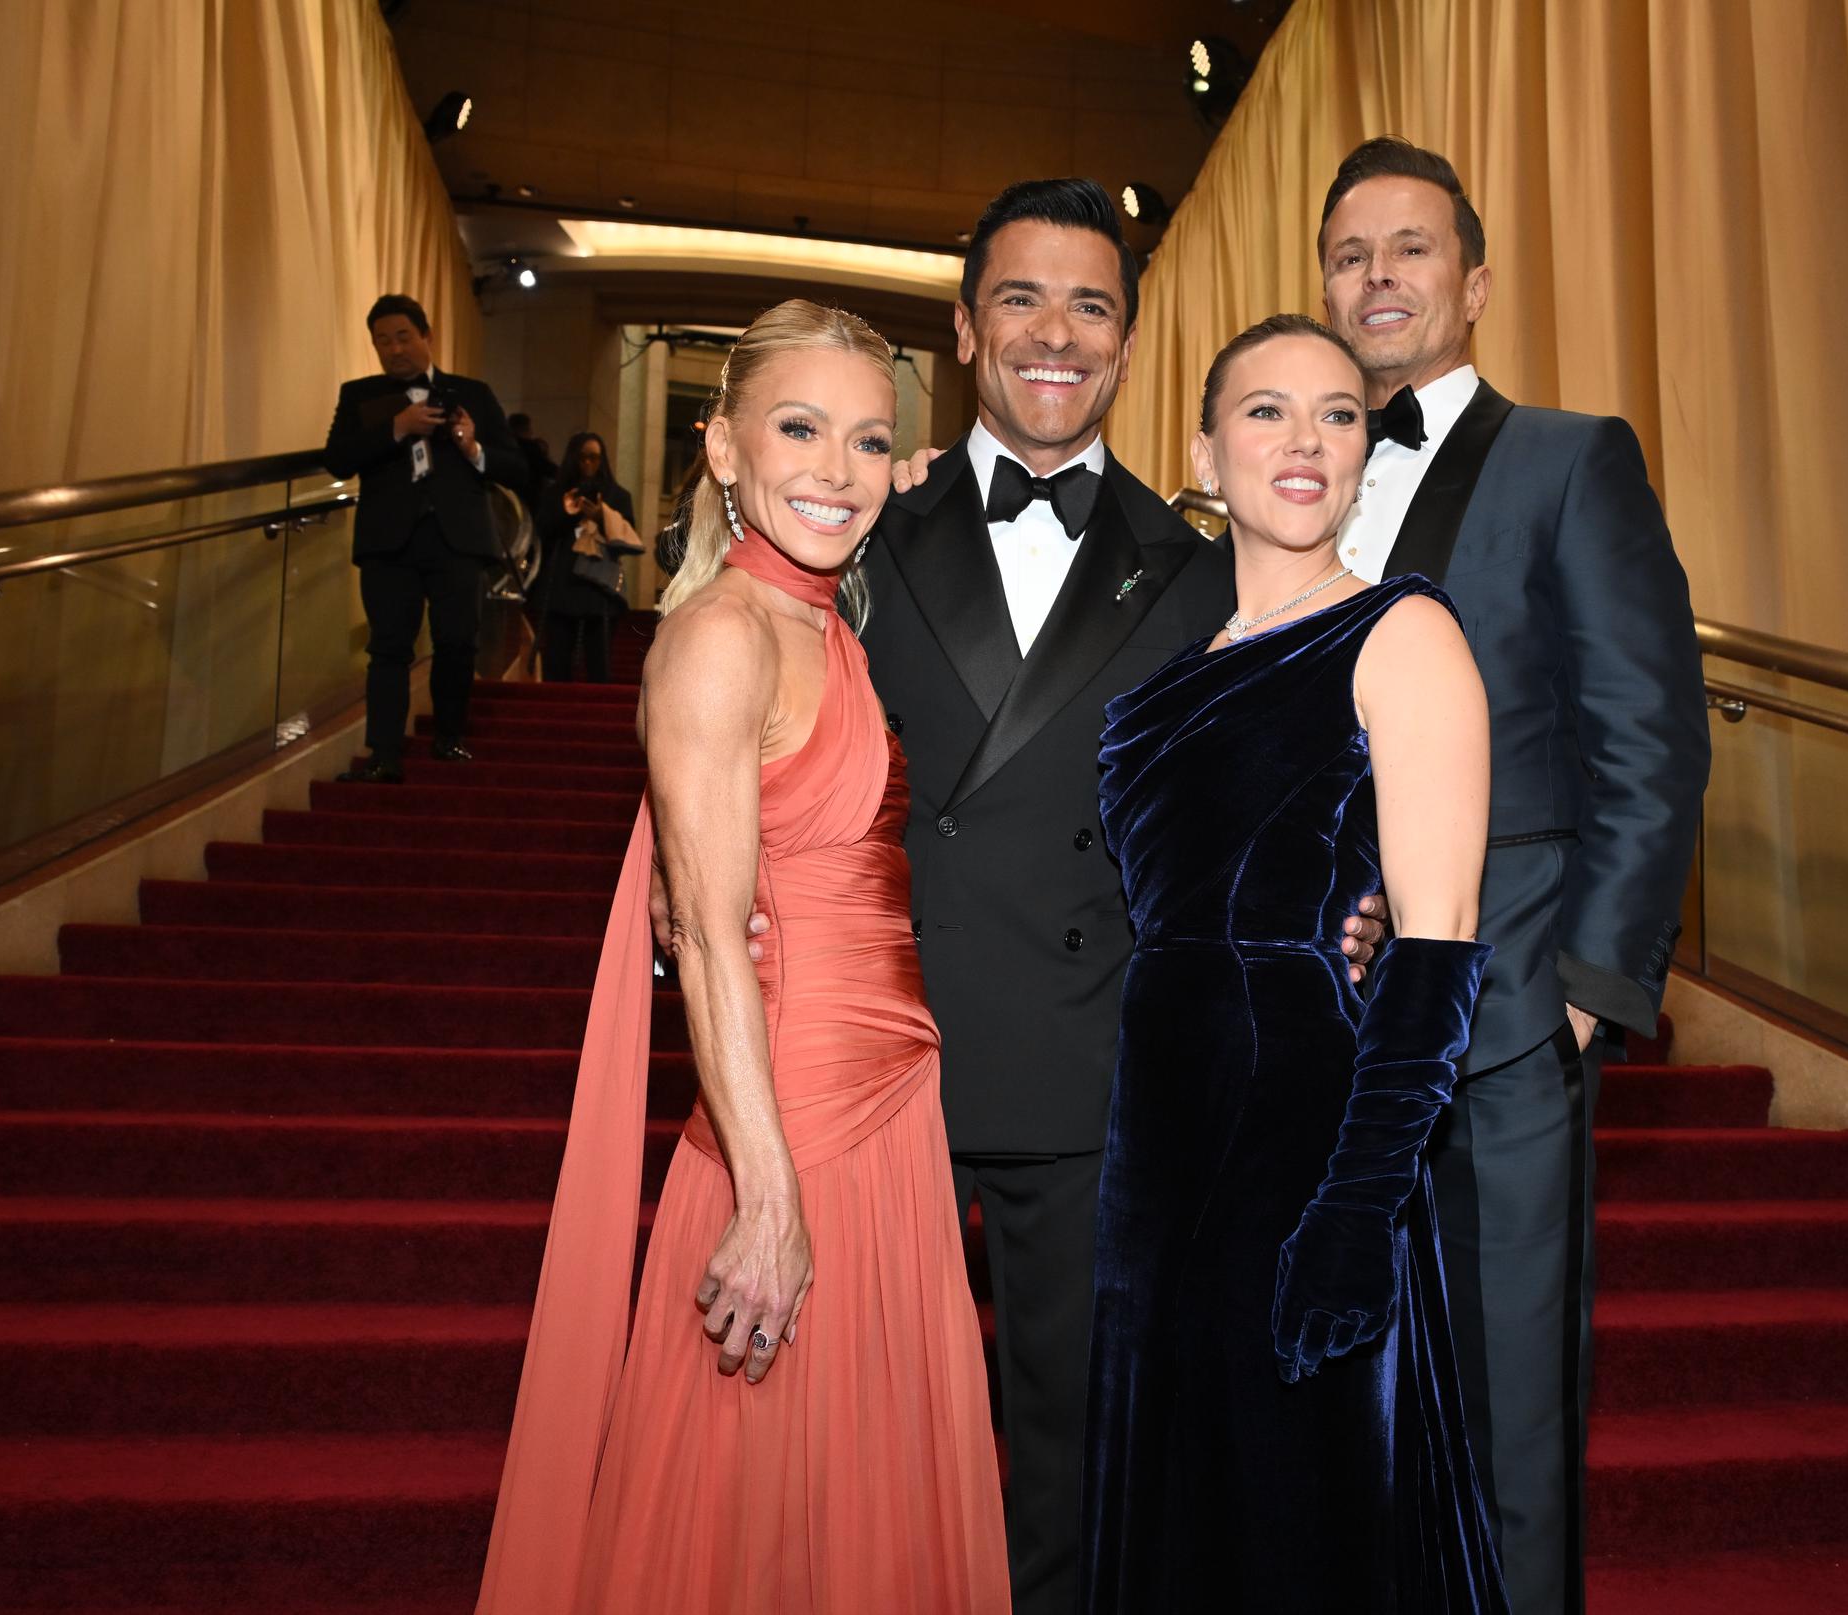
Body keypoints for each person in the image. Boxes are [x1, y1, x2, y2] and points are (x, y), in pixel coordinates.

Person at [858, 178, 1382, 1615]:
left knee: (1075, 1454)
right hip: (873, 1047)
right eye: (1021, 297)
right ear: (966, 329)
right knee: (855, 1431)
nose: (1055, 332)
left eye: (1093, 304)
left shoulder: (1199, 568)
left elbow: (1283, 768)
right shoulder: (861, 522)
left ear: (1131, 348)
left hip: (1097, 1066)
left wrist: (1356, 894)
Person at [474, 300, 1009, 1614]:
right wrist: (765, 1194)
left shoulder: (828, 622)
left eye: (870, 440)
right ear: (720, 449)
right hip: (796, 1125)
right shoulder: (718, 635)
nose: (837, 468)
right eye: (800, 429)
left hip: (888, 1106)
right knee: (756, 1521)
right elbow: (709, 933)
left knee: (848, 1515)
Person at [1318, 137, 1711, 1614]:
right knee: (1326, 1377)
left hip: (1506, 1007)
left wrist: (1589, 993)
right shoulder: (1281, 466)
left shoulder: (1568, 457)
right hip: (1304, 1012)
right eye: (1351, 253)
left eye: (1411, 249)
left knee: (1507, 1386)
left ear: (1473, 282)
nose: (1380, 276)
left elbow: (1647, 732)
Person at [1083, 314, 1505, 1613]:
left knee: (1297, 1517)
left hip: (1301, 1137)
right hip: (1156, 1136)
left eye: (1337, 412)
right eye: (1266, 410)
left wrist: (1355, 1210)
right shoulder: (1157, 677)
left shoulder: (1403, 634)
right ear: (1203, 452)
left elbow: (1436, 954)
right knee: (1178, 1507)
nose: (1307, 438)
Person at [322, 293, 523, 783]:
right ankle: (384, 753)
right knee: (388, 646)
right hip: (389, 542)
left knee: (458, 642)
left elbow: (517, 466)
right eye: (382, 341)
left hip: (457, 539)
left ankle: (449, 738)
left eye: (403, 337)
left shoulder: (472, 392)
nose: (394, 349)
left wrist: (473, 448)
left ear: (427, 337)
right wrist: (396, 427)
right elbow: (337, 459)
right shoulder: (360, 395)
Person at [533, 431, 638, 682]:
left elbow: (628, 539)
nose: (588, 464)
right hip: (562, 583)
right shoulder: (556, 493)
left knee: (598, 660)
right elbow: (542, 531)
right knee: (557, 657)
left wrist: (602, 518)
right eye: (582, 458)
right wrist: (568, 512)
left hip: (600, 586)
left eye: (594, 458)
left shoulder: (617, 496)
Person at [508, 411, 562, 495]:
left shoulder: (506, 446)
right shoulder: (529, 447)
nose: (532, 432)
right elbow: (545, 466)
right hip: (529, 494)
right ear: (525, 428)